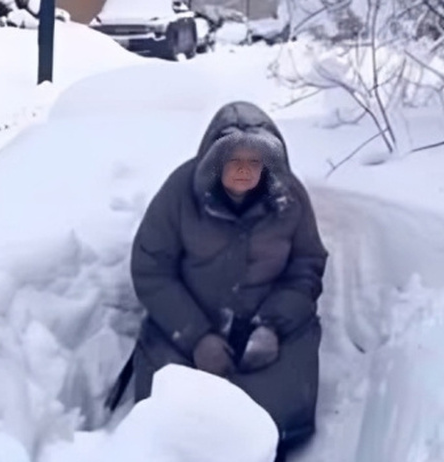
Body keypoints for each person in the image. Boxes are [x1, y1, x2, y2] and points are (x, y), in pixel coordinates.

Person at [106, 101, 328, 461]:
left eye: (254, 163)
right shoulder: (179, 193)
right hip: (189, 321)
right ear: (215, 163)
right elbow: (152, 268)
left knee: (275, 415)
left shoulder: (290, 199)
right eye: (234, 161)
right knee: (172, 417)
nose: (244, 171)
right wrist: (197, 337)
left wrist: (272, 326)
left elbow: (307, 264)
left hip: (270, 325)